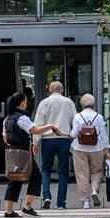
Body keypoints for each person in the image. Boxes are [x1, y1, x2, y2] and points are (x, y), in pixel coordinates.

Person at [32, 78, 77, 209]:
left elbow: (38, 123)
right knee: (63, 172)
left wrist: (35, 142)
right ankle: (61, 203)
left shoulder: (44, 103)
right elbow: (75, 121)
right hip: (64, 138)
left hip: (47, 139)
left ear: (49, 91)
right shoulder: (69, 102)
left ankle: (46, 196)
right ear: (61, 90)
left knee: (45, 169)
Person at [1, 90, 42, 218]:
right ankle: (27, 207)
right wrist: (51, 127)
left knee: (15, 178)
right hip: (23, 153)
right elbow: (35, 130)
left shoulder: (7, 119)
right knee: (36, 177)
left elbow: (5, 138)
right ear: (22, 102)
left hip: (12, 152)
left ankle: (8, 211)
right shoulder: (22, 118)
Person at [69, 93, 110, 210]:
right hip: (97, 148)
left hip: (79, 148)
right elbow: (103, 135)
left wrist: (68, 133)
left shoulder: (77, 117)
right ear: (92, 103)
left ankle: (85, 202)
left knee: (82, 174)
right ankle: (94, 191)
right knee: (97, 171)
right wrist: (107, 150)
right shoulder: (99, 116)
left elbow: (74, 134)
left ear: (82, 104)